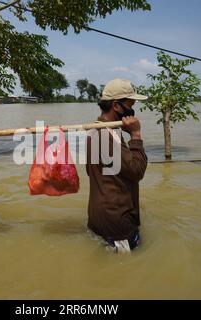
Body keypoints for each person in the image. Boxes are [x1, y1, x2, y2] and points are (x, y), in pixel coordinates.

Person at [86, 78, 148, 252]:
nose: (132, 110)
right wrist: (136, 135)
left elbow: (93, 173)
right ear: (116, 106)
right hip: (117, 222)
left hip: (98, 218)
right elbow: (137, 171)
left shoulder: (94, 131)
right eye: (130, 104)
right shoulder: (106, 136)